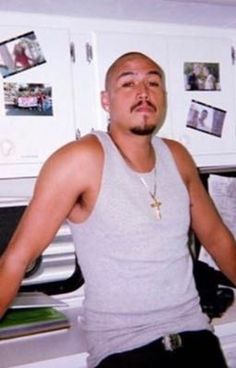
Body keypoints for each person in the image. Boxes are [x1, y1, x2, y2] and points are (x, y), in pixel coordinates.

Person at [0, 51, 236, 368]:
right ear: (106, 100)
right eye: (128, 83)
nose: (143, 92)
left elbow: (219, 238)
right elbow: (16, 259)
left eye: (153, 82)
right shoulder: (79, 160)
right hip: (125, 351)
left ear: (163, 97)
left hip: (197, 338)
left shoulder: (178, 157)